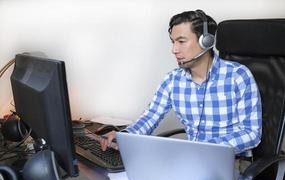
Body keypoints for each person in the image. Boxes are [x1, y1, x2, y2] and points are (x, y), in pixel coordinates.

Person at [100, 10, 262, 162]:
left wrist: (206, 149)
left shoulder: (238, 76)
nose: (174, 50)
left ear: (206, 41)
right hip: (191, 160)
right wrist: (124, 136)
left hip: (229, 162)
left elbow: (251, 133)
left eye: (181, 41)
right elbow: (150, 116)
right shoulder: (172, 80)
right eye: (173, 42)